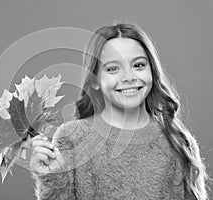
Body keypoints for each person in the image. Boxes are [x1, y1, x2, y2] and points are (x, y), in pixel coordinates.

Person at [29, 23, 210, 200]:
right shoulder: (72, 137)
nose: (129, 77)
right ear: (94, 80)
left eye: (138, 65)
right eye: (113, 69)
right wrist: (51, 179)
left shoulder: (177, 140)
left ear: (152, 72)